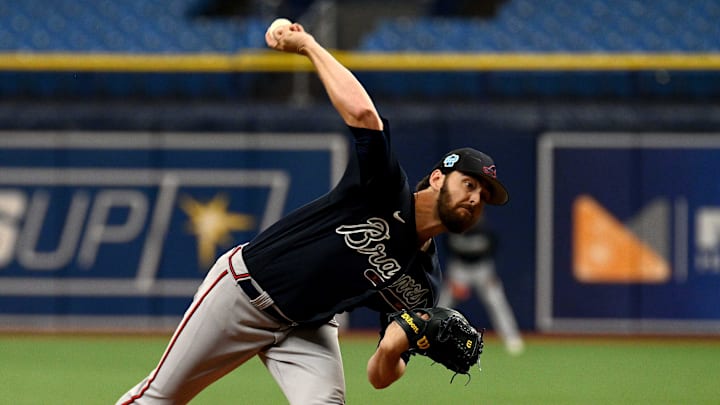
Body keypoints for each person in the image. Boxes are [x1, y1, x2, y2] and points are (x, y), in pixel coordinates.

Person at [117, 20, 509, 405]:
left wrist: (393, 348)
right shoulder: (385, 188)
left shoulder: (420, 284)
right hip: (245, 294)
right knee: (159, 399)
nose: (475, 199)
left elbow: (378, 378)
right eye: (469, 184)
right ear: (439, 179)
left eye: (484, 196)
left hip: (308, 326)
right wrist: (308, 45)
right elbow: (363, 117)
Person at [439, 218, 525, 355]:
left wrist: (491, 276)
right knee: (443, 304)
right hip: (460, 269)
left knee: (496, 301)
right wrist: (453, 278)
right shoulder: (452, 232)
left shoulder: (485, 233)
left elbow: (492, 252)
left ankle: (512, 339)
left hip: (482, 269)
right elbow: (449, 252)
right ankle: (429, 337)